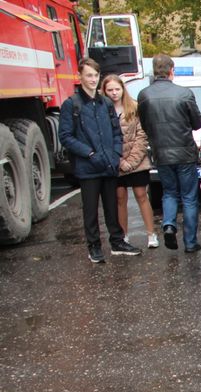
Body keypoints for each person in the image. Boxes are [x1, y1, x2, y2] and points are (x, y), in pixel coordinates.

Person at [59, 58, 141, 263]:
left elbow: (116, 131)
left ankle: (117, 241)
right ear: (80, 77)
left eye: (96, 75)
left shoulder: (105, 102)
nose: (93, 79)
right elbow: (66, 136)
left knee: (112, 206)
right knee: (90, 209)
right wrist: (89, 154)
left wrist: (115, 154)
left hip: (109, 164)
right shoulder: (71, 104)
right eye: (89, 75)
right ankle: (94, 246)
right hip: (88, 166)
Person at [137, 54, 201, 252]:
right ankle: (190, 242)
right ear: (171, 70)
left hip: (161, 153)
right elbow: (197, 123)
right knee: (189, 197)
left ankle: (168, 224)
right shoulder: (184, 94)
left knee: (169, 193)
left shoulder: (144, 95)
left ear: (154, 71)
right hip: (185, 153)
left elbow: (145, 124)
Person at [100, 74, 156, 249]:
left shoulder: (134, 107)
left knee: (141, 195)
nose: (114, 93)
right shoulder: (101, 110)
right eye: (110, 90)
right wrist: (118, 160)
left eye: (117, 89)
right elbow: (102, 139)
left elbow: (142, 135)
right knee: (119, 198)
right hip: (115, 162)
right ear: (104, 91)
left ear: (123, 89)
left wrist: (130, 161)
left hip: (136, 161)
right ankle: (123, 235)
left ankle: (151, 233)